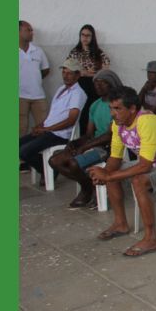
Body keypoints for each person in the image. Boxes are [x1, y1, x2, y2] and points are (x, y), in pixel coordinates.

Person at [89, 87, 156, 257]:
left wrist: (108, 174)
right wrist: (104, 173)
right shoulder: (118, 125)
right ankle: (120, 223)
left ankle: (151, 238)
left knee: (139, 180)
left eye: (118, 109)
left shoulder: (146, 121)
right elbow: (115, 158)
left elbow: (145, 166)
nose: (113, 114)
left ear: (132, 109)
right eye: (111, 108)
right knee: (111, 173)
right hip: (154, 163)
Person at [48, 70, 123, 209]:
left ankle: (87, 190)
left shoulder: (117, 105)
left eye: (103, 83)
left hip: (108, 147)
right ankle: (88, 186)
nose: (98, 87)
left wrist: (85, 147)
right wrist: (76, 143)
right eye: (96, 84)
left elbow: (109, 135)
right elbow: (89, 133)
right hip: (94, 143)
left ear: (112, 84)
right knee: (54, 161)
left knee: (73, 163)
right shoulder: (95, 105)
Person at [19, 58, 87, 180]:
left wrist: (46, 129)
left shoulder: (78, 93)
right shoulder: (61, 89)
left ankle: (50, 171)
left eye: (69, 73)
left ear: (77, 75)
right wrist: (40, 126)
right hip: (49, 130)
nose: (65, 76)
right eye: (64, 72)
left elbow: (71, 120)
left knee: (24, 151)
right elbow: (53, 115)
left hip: (60, 134)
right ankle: (47, 169)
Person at [66, 24, 111, 135]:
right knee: (82, 113)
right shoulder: (75, 52)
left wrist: (85, 73)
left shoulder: (99, 53)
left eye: (88, 35)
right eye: (83, 35)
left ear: (92, 37)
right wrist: (85, 73)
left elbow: (105, 72)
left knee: (94, 111)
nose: (85, 38)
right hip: (80, 86)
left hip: (95, 87)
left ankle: (95, 137)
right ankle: (82, 137)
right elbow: (69, 70)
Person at [19, 20, 50, 138]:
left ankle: (39, 156)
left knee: (43, 128)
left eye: (32, 30)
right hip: (19, 96)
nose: (32, 32)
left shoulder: (38, 51)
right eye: (28, 30)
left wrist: (34, 79)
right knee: (20, 129)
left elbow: (46, 69)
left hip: (38, 96)